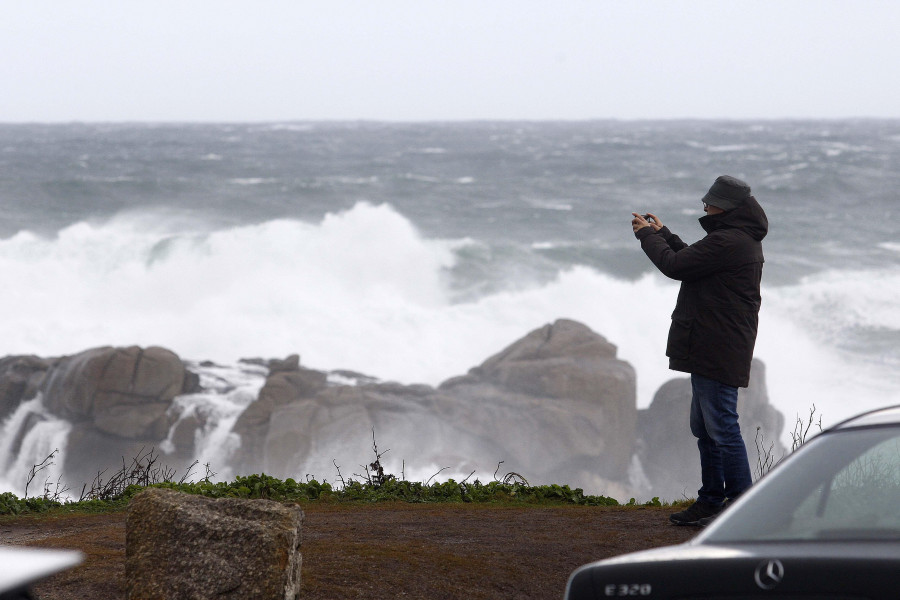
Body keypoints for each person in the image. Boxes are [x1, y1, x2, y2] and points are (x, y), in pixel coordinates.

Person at [631, 175, 768, 526]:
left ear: (729, 206)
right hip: (714, 342)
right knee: (706, 428)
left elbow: (676, 267)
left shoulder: (730, 241)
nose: (704, 205)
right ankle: (711, 501)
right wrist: (665, 236)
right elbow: (695, 260)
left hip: (717, 345)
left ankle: (739, 510)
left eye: (711, 201)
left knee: (721, 428)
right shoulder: (733, 239)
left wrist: (647, 236)